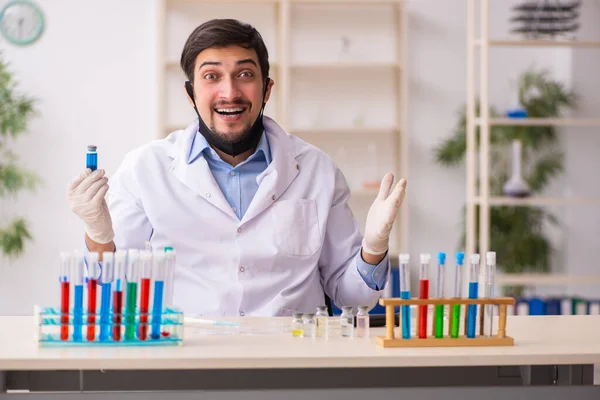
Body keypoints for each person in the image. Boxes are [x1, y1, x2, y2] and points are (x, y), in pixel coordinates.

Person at [67, 19, 407, 317]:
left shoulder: (316, 169)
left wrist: (373, 248)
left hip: (294, 362)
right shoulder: (146, 170)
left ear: (267, 89)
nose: (229, 92)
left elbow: (352, 298)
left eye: (245, 74)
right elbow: (110, 296)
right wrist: (99, 236)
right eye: (211, 76)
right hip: (184, 362)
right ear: (191, 93)